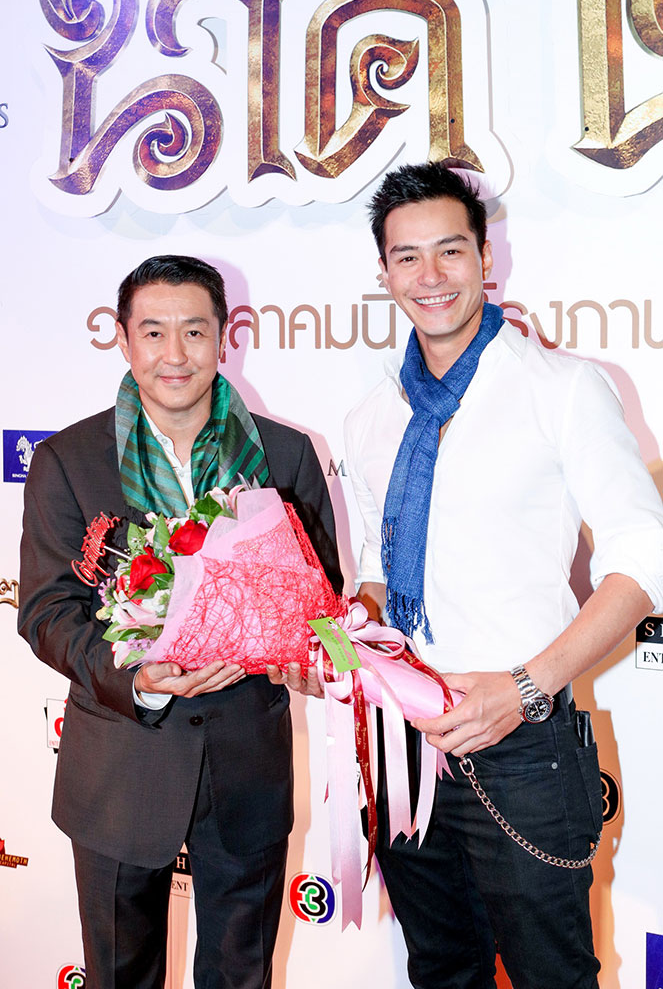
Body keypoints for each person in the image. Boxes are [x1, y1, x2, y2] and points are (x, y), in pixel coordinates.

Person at [344, 162, 663, 989]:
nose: (430, 275)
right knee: (441, 972)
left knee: (552, 977)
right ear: (383, 272)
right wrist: (354, 622)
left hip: (524, 748)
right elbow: (381, 565)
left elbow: (642, 555)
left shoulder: (561, 387)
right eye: (407, 257)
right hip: (405, 743)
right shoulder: (372, 416)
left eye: (450, 251)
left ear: (486, 258)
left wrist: (524, 687)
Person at [19, 254, 342, 989]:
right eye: (154, 332)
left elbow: (319, 602)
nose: (175, 354)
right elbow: (45, 610)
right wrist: (139, 679)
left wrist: (307, 655)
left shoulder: (285, 455)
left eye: (194, 331)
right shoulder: (69, 460)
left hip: (247, 767)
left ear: (225, 337)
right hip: (119, 766)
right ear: (123, 339)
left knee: (240, 976)